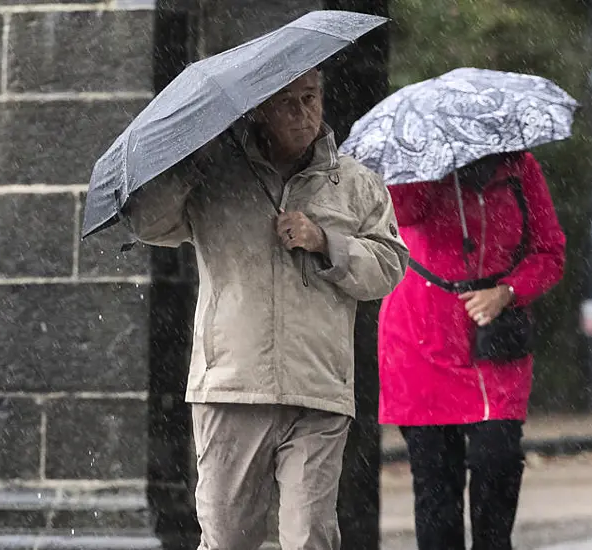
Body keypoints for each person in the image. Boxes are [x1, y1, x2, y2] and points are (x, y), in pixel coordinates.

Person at [122, 68, 409, 550]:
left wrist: (325, 241)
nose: (304, 113)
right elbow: (149, 223)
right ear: (259, 110)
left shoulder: (355, 183)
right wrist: (193, 161)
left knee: (309, 538)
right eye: (289, 102)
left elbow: (388, 266)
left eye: (312, 98)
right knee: (228, 539)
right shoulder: (215, 175)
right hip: (232, 385)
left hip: (317, 388)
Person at [378, 151, 566, 550]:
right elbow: (403, 214)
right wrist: (430, 169)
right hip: (420, 341)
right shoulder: (418, 166)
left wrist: (508, 291)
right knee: (436, 489)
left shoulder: (521, 167)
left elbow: (550, 251)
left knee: (497, 461)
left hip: (493, 341)